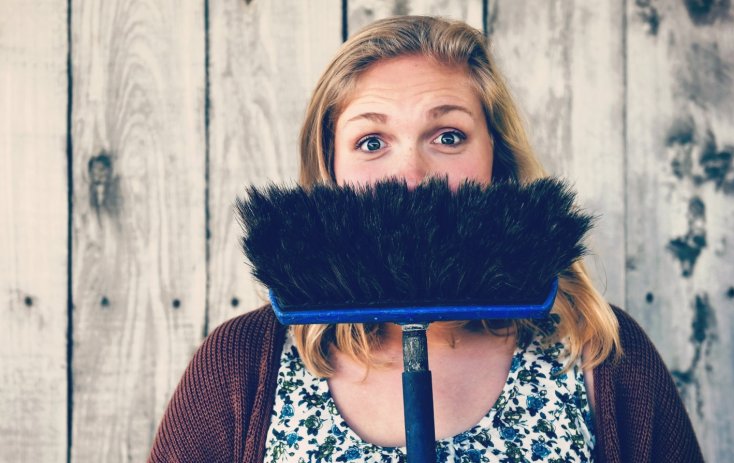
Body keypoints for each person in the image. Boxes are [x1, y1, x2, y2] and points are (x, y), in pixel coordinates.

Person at [149, 16, 703, 463]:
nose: (411, 173)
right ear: (331, 169)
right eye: (371, 141)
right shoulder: (243, 364)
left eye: (448, 135)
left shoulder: (600, 354)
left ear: (497, 161)